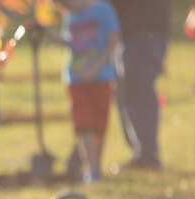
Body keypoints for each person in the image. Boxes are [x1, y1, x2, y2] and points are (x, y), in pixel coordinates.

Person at [53, 0, 121, 184]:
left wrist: (96, 66)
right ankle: (92, 169)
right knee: (83, 124)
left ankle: (94, 167)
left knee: (99, 125)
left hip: (102, 77)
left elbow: (113, 38)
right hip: (76, 78)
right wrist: (48, 34)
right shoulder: (70, 16)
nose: (67, 8)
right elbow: (71, 43)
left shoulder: (103, 10)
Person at [111, 0, 169, 169]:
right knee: (128, 91)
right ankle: (142, 153)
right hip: (132, 31)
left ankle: (147, 155)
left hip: (143, 31)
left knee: (138, 90)